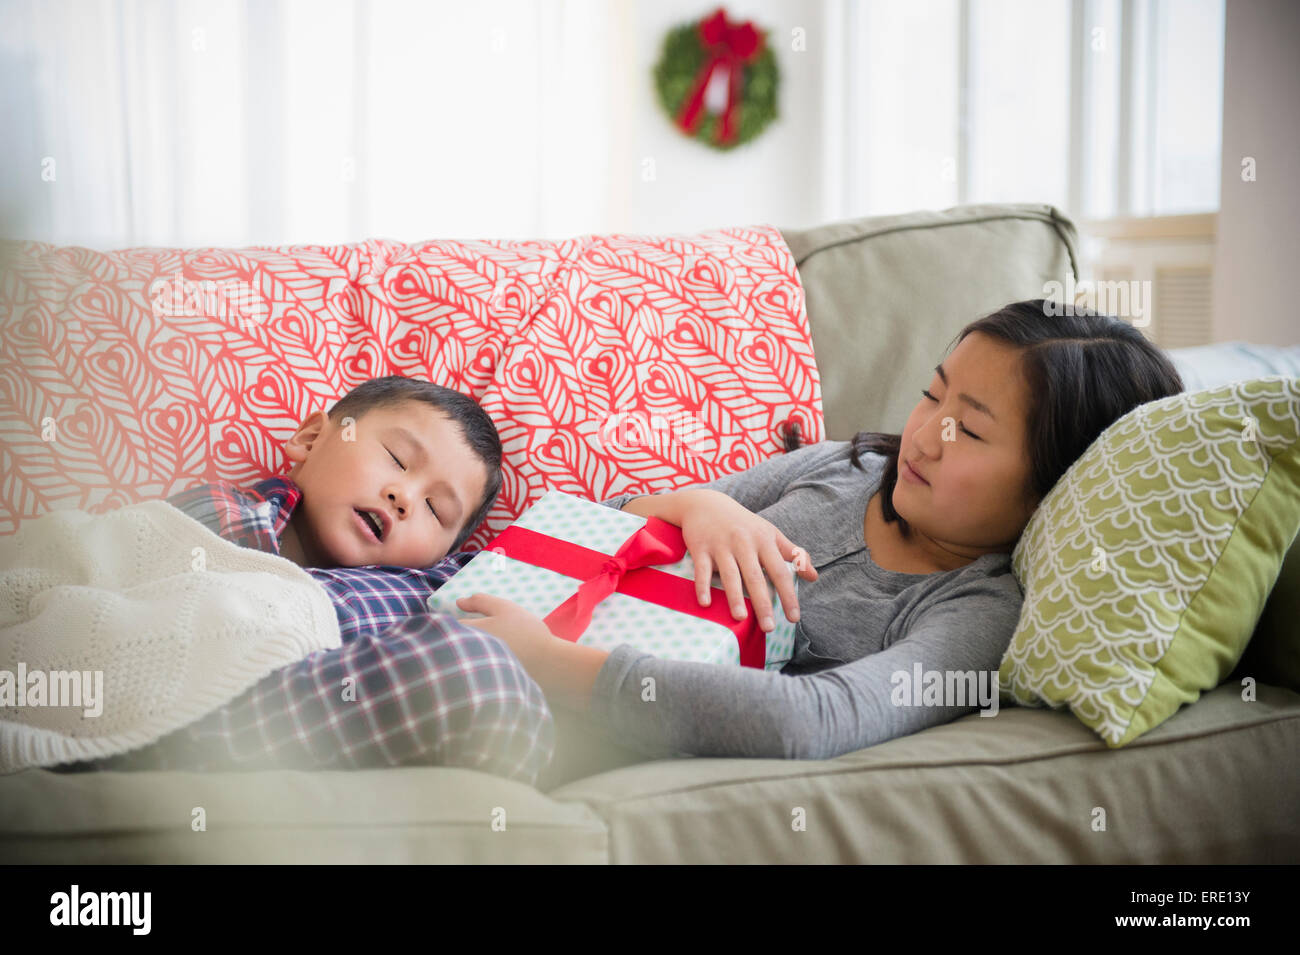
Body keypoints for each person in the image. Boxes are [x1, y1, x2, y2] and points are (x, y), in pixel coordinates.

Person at [453, 299, 1185, 762]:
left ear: (1048, 488)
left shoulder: (979, 613)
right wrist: (697, 505)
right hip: (522, 619)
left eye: (971, 431)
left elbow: (812, 720)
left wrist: (549, 662)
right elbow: (609, 520)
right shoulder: (848, 465)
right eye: (933, 394)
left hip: (566, 698)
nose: (926, 435)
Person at [51, 375, 555, 785]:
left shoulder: (423, 590)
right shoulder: (220, 517)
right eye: (398, 459)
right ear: (313, 438)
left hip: (294, 734)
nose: (404, 496)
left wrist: (623, 512)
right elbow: (99, 564)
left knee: (478, 674)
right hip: (152, 711)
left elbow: (555, 559)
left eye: (434, 509)